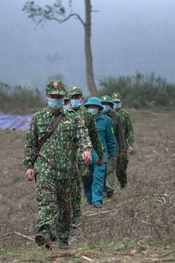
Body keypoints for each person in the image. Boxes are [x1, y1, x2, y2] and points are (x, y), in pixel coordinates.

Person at [23, 80, 92, 250]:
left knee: (65, 208)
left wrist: (86, 150)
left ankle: (63, 238)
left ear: (64, 97)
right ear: (47, 97)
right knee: (47, 202)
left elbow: (83, 137)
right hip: (45, 169)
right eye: (53, 96)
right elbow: (30, 144)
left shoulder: (73, 117)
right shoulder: (38, 118)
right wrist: (29, 166)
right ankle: (44, 232)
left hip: (69, 171)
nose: (57, 99)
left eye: (60, 96)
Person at [67, 86, 104, 230]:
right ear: (68, 100)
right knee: (68, 187)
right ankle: (69, 218)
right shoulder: (63, 115)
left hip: (84, 157)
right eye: (72, 98)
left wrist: (100, 156)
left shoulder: (87, 117)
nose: (75, 100)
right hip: (66, 158)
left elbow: (94, 137)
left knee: (79, 184)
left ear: (81, 99)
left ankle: (74, 216)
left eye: (77, 97)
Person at [83, 97, 116, 208]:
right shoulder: (82, 120)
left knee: (99, 176)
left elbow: (110, 138)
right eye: (90, 107)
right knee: (87, 177)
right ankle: (89, 198)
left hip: (100, 153)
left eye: (94, 106)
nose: (92, 109)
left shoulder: (106, 120)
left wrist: (112, 153)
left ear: (99, 108)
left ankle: (97, 200)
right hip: (86, 153)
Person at [100, 95, 126, 198]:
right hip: (101, 146)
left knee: (110, 168)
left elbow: (120, 134)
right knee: (102, 169)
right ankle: (102, 189)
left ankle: (109, 189)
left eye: (107, 104)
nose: (105, 106)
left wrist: (122, 148)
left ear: (111, 106)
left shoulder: (116, 117)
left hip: (113, 146)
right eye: (103, 104)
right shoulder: (96, 117)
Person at [111, 92, 135, 188]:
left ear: (121, 102)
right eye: (113, 102)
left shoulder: (125, 115)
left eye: (117, 102)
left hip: (122, 145)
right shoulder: (107, 114)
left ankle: (123, 184)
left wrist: (130, 144)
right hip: (111, 144)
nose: (115, 104)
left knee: (121, 167)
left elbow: (130, 130)